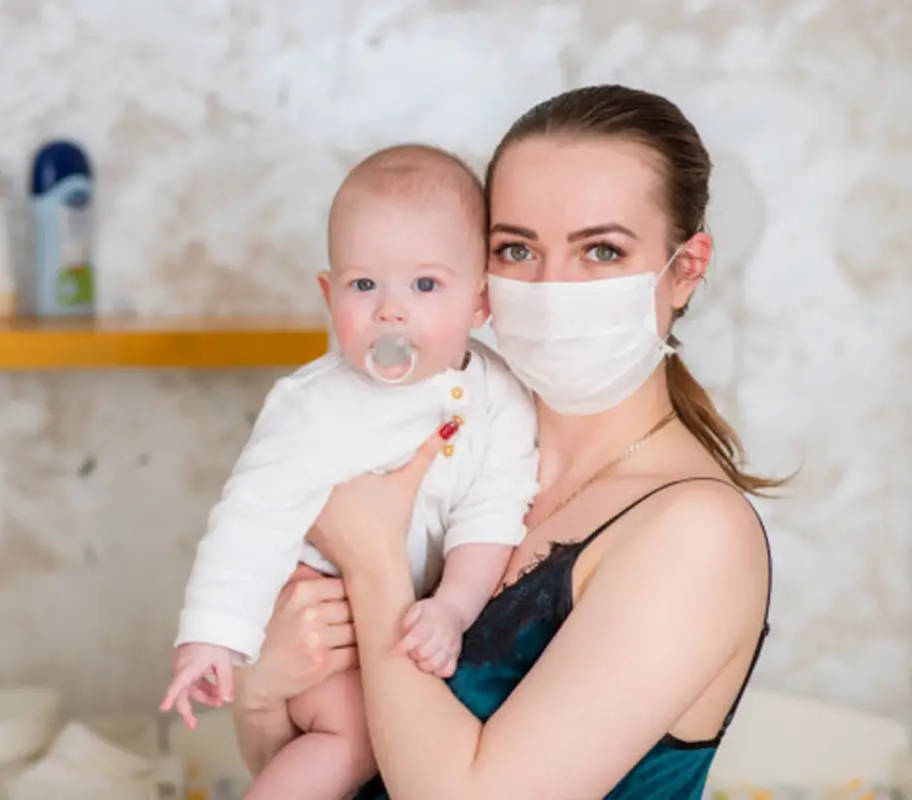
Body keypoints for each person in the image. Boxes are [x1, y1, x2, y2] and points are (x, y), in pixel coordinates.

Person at [232, 84, 777, 799]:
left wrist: (372, 564)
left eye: (601, 251)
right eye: (516, 249)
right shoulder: (451, 451)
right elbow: (320, 764)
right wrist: (260, 692)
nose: (551, 287)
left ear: (685, 269)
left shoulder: (698, 534)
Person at [162, 144, 540, 798]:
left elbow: (492, 514)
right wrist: (211, 638)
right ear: (328, 292)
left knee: (405, 731)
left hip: (397, 628)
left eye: (425, 285)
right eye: (364, 285)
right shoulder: (315, 405)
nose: (390, 311)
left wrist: (452, 608)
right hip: (320, 631)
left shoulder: (500, 397)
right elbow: (250, 520)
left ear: (480, 301)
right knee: (358, 735)